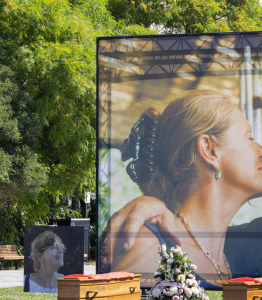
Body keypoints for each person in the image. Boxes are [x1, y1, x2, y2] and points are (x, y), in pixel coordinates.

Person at [99, 90, 262, 288]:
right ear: (209, 150)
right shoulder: (148, 246)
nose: (260, 150)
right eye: (250, 137)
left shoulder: (232, 255)